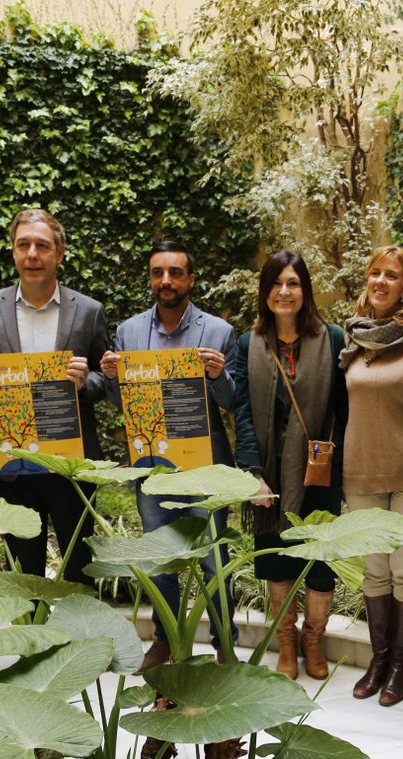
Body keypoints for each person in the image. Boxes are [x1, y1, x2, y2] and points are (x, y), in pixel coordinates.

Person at [100, 240, 238, 670]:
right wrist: (109, 378)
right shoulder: (128, 331)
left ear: (191, 280)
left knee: (214, 560)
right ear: (151, 278)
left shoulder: (218, 331)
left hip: (205, 466)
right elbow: (119, 400)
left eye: (176, 273)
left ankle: (224, 643)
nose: (166, 281)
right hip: (151, 464)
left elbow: (233, 402)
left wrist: (217, 376)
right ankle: (166, 638)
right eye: (158, 272)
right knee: (160, 556)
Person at [0, 208, 110, 581]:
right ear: (13, 252)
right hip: (16, 462)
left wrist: (84, 381)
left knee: (80, 569)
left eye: (42, 246)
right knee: (23, 571)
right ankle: (32, 637)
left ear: (59, 254)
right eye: (23, 245)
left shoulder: (90, 311)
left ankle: (80, 639)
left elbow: (106, 382)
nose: (32, 254)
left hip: (72, 464)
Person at [229, 250, 347, 679]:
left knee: (319, 559)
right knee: (277, 557)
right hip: (270, 472)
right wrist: (252, 473)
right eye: (276, 283)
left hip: (318, 470)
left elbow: (342, 408)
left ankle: (314, 641)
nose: (284, 291)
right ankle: (287, 641)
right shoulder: (249, 343)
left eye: (293, 283)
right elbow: (242, 410)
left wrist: (338, 465)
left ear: (305, 290)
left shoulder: (332, 338)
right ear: (266, 292)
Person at [341, 246, 403, 706]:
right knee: (375, 572)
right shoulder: (354, 339)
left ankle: (400, 665)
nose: (379, 281)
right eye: (374, 272)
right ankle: (378, 661)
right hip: (360, 470)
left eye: (391, 276)